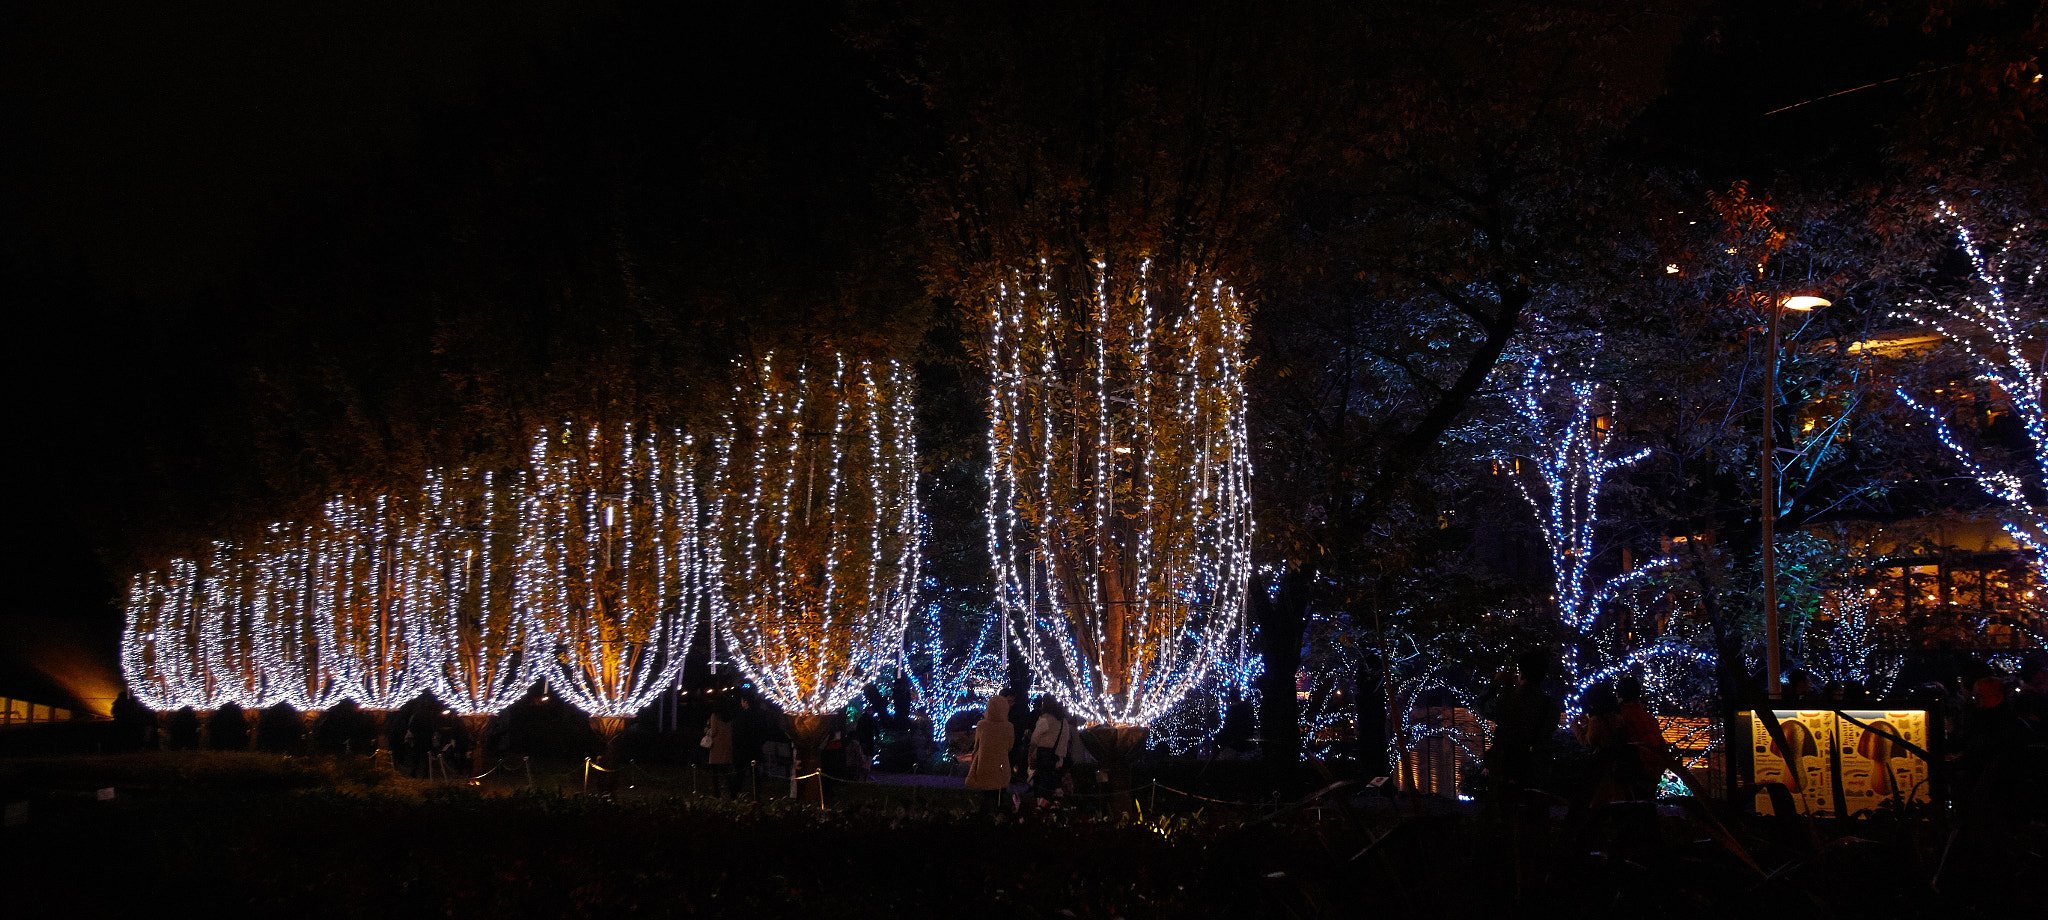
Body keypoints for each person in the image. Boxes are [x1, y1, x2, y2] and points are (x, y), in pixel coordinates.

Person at [965, 693, 1016, 814]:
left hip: (984, 764)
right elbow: (1010, 746)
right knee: (999, 797)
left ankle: (983, 821)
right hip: (1001, 766)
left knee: (985, 798)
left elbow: (977, 744)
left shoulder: (982, 725)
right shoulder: (1009, 727)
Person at [1027, 698, 1072, 809]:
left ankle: (1042, 811)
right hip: (1059, 759)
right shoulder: (1064, 721)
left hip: (1045, 758)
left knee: (1043, 786)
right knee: (1055, 786)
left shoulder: (1045, 719)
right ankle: (1055, 810)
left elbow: (1034, 739)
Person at [705, 706, 735, 795]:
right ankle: (731, 790)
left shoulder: (715, 716)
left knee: (715, 771)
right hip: (726, 744)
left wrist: (707, 731)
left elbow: (714, 731)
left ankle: (716, 791)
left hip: (716, 746)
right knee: (725, 770)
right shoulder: (729, 716)